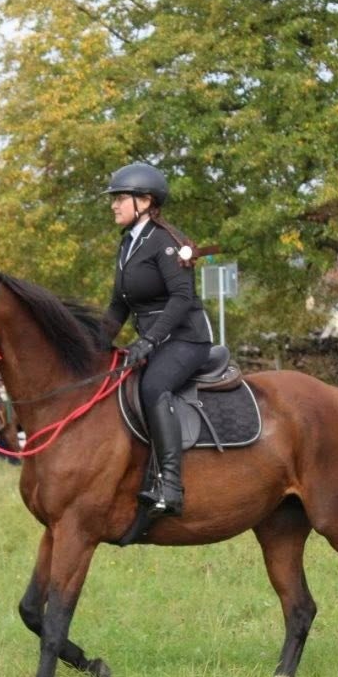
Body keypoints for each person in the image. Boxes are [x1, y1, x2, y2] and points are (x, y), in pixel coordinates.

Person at [101, 162, 212, 518]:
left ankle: (170, 485)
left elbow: (181, 299)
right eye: (114, 199)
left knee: (153, 387)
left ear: (145, 201)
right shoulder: (128, 245)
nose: (114, 205)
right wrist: (93, 344)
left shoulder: (165, 242)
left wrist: (148, 341)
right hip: (156, 340)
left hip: (186, 339)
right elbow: (119, 305)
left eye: (121, 198)